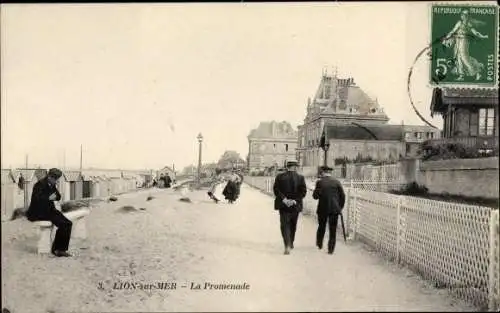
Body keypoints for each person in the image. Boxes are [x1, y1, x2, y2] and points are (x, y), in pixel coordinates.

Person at [25, 168, 73, 257]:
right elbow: (38, 199)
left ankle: (60, 249)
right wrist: (50, 197)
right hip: (38, 212)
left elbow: (58, 196)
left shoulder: (51, 184)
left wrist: (50, 196)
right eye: (56, 179)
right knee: (63, 224)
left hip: (49, 210)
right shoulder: (39, 185)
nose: (57, 181)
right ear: (50, 177)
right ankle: (58, 250)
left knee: (68, 223)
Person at [273, 160, 307, 255]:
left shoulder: (280, 177)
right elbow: (303, 192)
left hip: (284, 206)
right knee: (293, 225)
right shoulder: (300, 178)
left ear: (287, 167)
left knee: (284, 225)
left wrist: (285, 200)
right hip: (295, 206)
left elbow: (276, 190)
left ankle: (287, 244)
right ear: (295, 167)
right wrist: (294, 200)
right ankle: (291, 242)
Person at [312, 166, 346, 255]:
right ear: (330, 173)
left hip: (322, 209)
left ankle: (319, 244)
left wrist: (319, 191)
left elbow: (315, 197)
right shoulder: (337, 182)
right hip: (334, 209)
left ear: (323, 172)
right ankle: (331, 249)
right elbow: (342, 196)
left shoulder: (319, 182)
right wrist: (340, 207)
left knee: (321, 226)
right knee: (333, 229)